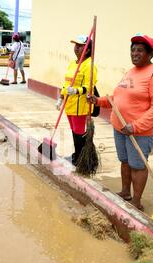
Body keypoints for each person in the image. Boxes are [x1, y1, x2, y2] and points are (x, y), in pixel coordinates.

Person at [89, 34, 153, 211]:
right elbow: (117, 97)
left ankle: (136, 202)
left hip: (139, 131)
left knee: (138, 165)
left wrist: (136, 126)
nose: (135, 54)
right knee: (125, 161)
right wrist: (98, 101)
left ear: (150, 54)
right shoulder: (130, 72)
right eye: (132, 50)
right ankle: (126, 192)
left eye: (140, 50)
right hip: (120, 127)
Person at [55, 35, 97, 166]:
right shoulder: (73, 63)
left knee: (78, 132)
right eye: (76, 45)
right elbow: (67, 82)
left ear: (88, 50)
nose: (77, 48)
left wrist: (76, 91)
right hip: (69, 103)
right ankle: (78, 155)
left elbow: (89, 87)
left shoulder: (89, 65)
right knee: (74, 131)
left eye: (80, 46)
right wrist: (61, 98)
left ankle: (80, 158)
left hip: (81, 105)